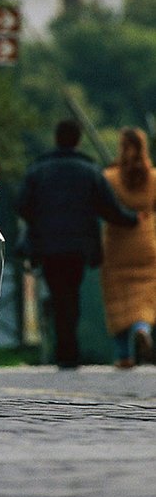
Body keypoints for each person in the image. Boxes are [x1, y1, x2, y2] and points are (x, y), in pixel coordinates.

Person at [18, 119, 139, 369]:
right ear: (78, 140)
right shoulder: (90, 171)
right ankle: (69, 352)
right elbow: (109, 208)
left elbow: (22, 205)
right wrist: (134, 220)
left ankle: (62, 349)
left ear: (57, 138)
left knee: (57, 292)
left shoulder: (38, 170)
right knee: (71, 295)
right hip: (78, 247)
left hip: (48, 246)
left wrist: (40, 223)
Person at [100, 128, 156, 368]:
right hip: (147, 243)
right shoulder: (153, 178)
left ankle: (123, 355)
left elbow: (104, 208)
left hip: (117, 244)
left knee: (117, 296)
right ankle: (142, 328)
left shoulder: (109, 177)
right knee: (146, 293)